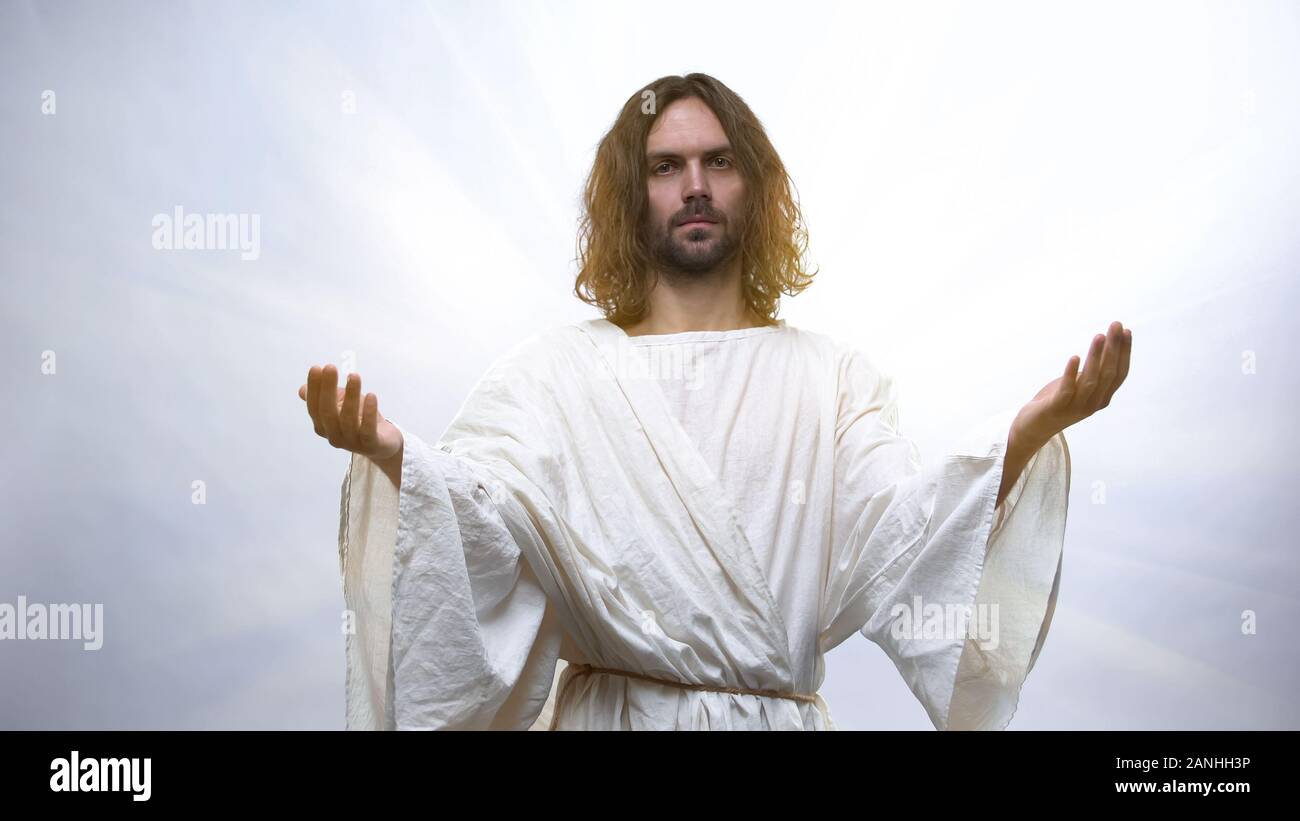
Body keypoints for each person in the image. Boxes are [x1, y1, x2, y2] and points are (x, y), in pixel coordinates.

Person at [298, 73, 1131, 731]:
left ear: (754, 188)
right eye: (666, 166)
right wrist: (397, 460)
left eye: (718, 162)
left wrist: (1020, 438)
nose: (694, 184)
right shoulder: (552, 377)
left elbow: (906, 538)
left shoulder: (831, 379)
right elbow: (481, 525)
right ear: (634, 197)